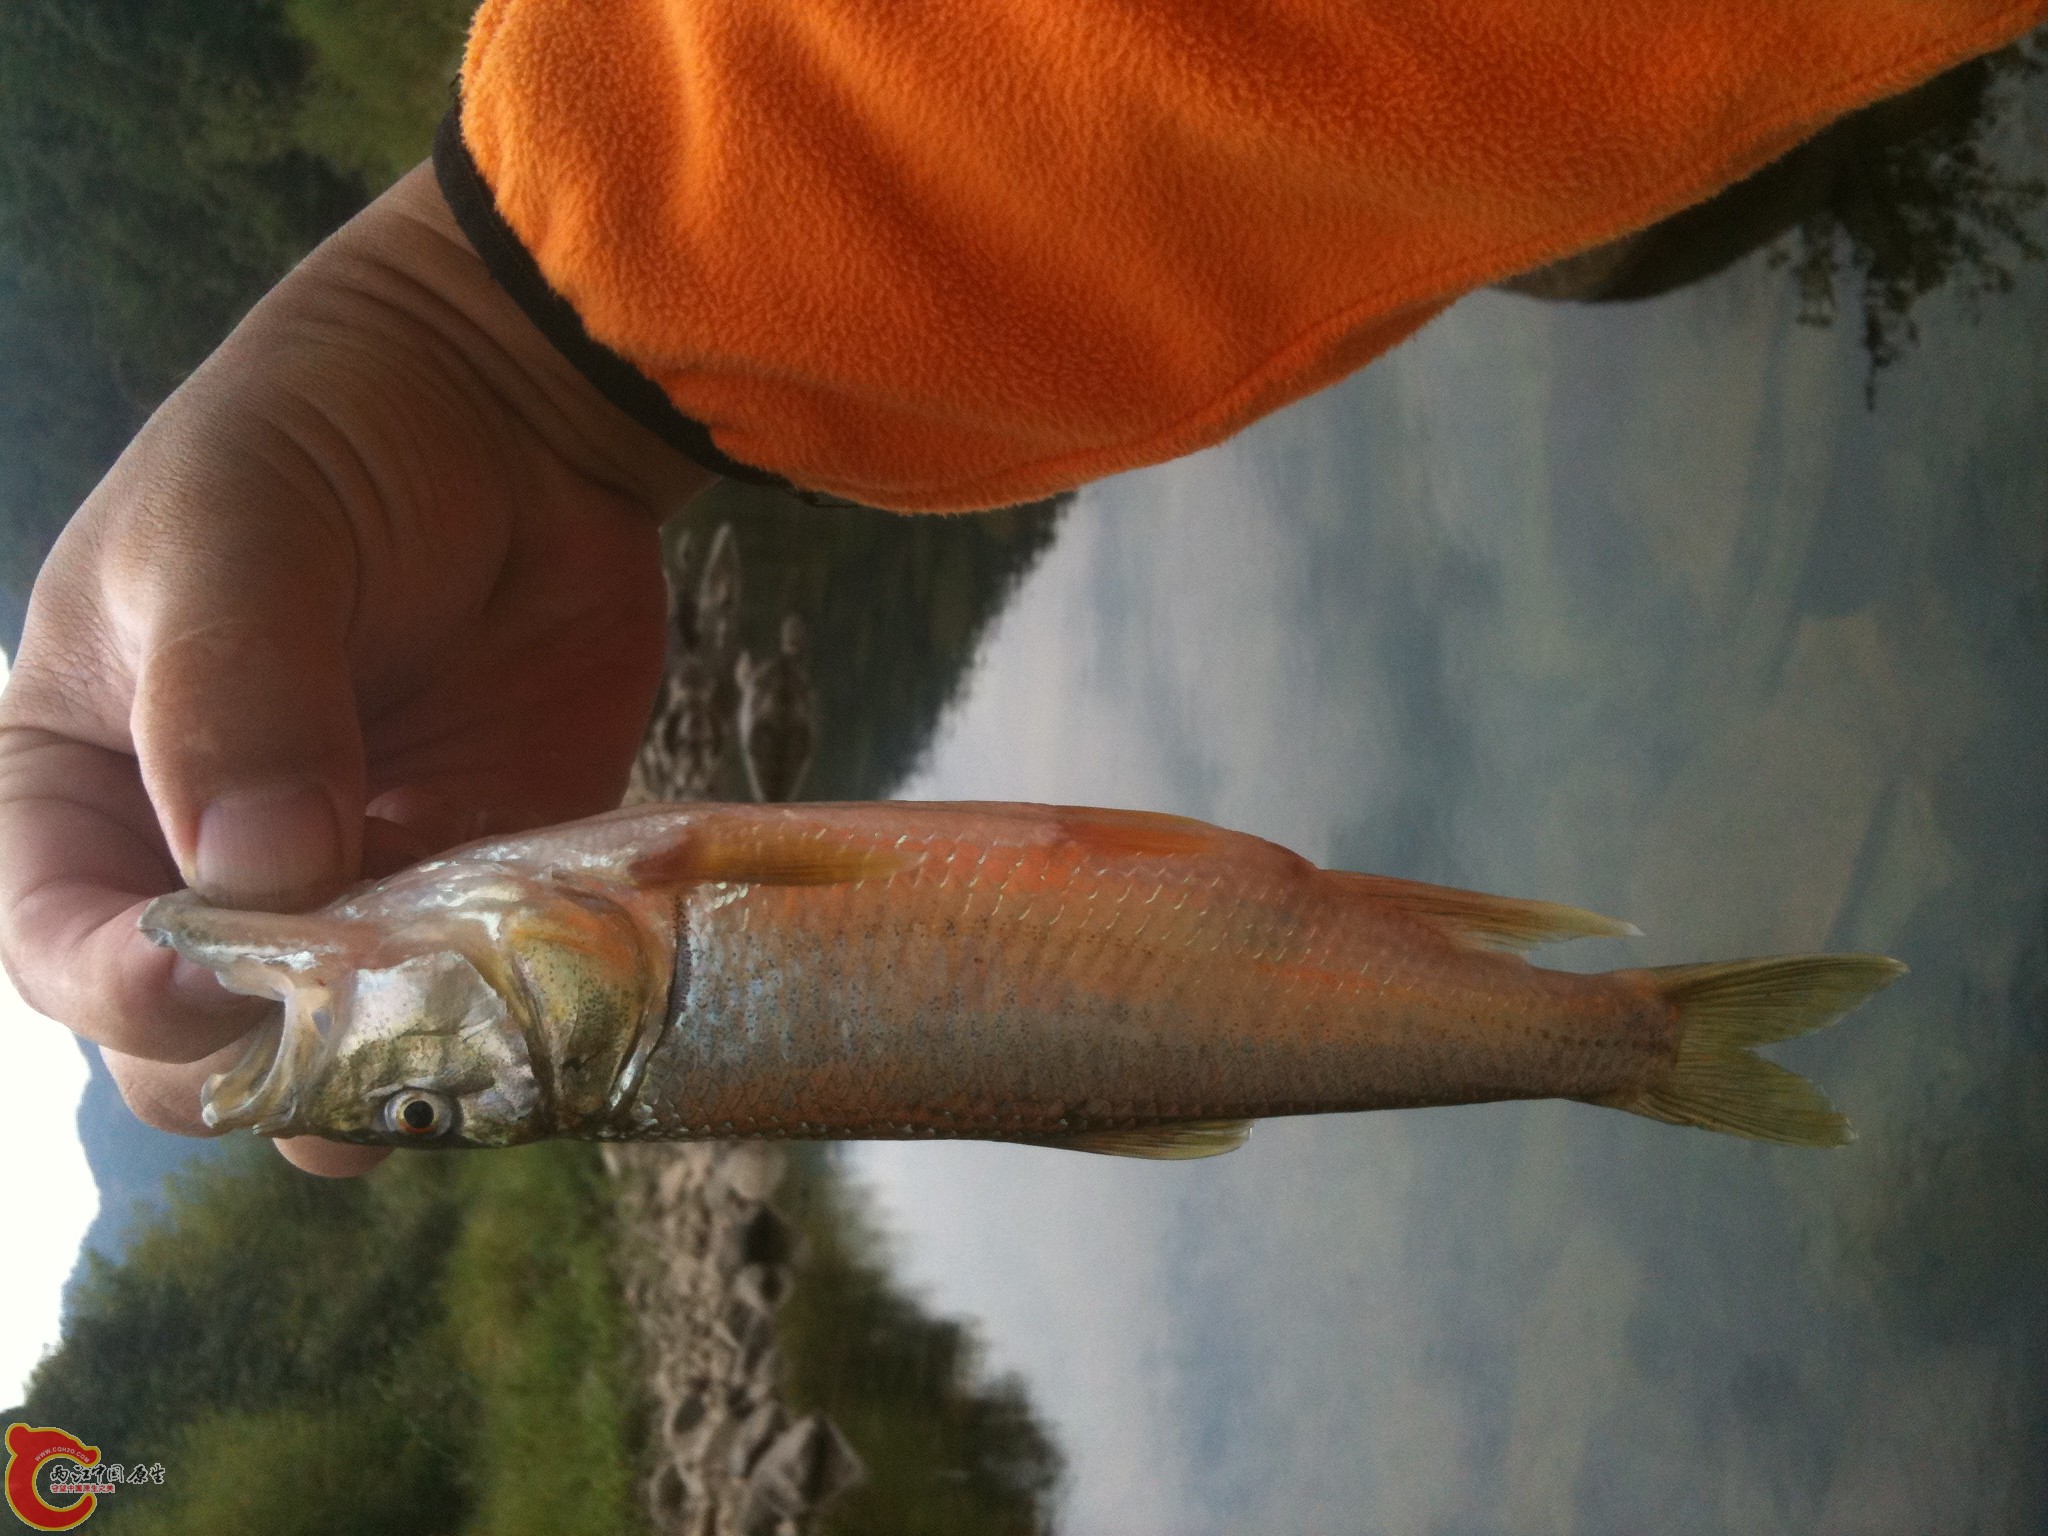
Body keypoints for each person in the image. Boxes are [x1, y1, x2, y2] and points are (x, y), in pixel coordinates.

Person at [0, 0, 2037, 1178]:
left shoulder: (621, 893)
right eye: (442, 1096)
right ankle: (1627, 1035)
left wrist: (512, 326)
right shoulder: (652, 912)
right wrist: (501, 316)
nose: (373, 1030)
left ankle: (1623, 1037)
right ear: (547, 1037)